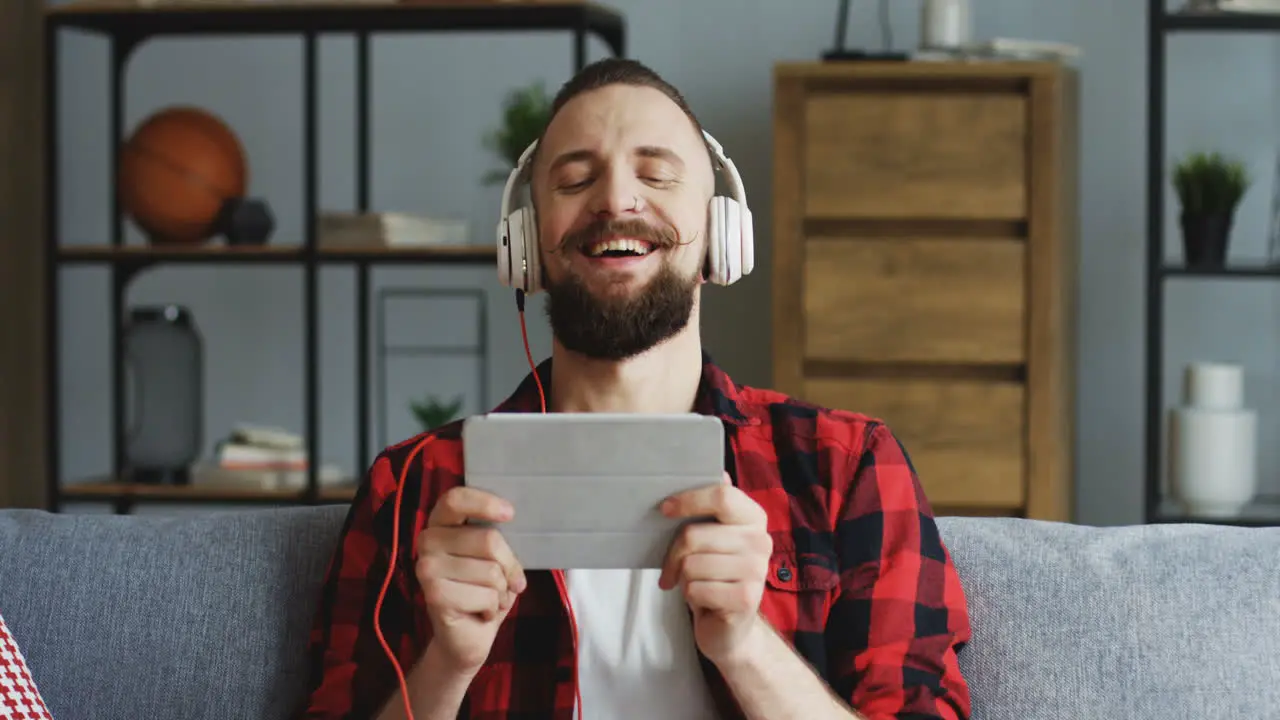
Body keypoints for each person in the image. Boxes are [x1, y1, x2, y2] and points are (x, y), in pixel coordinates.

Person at [296, 57, 972, 720]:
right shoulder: (412, 486)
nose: (617, 200)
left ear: (722, 235)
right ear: (526, 246)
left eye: (656, 173)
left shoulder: (845, 466)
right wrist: (448, 662)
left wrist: (747, 646)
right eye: (574, 179)